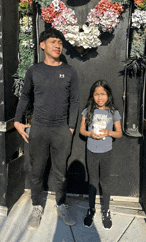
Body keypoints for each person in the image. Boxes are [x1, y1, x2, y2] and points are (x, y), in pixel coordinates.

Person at [14, 28, 80, 231]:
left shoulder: (69, 71)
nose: (57, 45)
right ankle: (36, 207)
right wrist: (17, 121)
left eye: (59, 42)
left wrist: (70, 128)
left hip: (61, 130)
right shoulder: (34, 71)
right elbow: (25, 97)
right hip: (39, 129)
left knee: (60, 173)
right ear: (42, 45)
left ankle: (61, 205)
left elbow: (75, 101)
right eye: (53, 41)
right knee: (36, 171)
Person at [80, 80, 122, 229]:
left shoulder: (113, 112)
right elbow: (82, 131)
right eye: (96, 94)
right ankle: (91, 209)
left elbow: (119, 133)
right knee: (92, 181)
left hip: (106, 152)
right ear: (92, 95)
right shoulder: (88, 111)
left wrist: (109, 132)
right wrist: (90, 134)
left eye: (103, 94)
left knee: (105, 182)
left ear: (108, 95)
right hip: (91, 151)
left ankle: (106, 210)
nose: (99, 97)